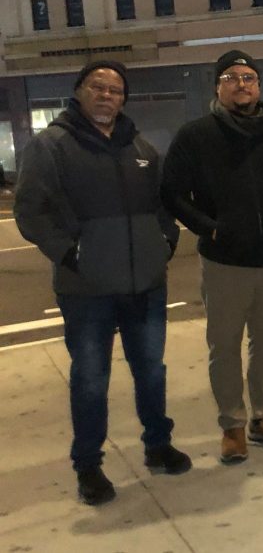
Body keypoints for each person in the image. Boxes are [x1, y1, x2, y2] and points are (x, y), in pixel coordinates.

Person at [15, 61, 191, 505]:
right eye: (97, 87)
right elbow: (31, 212)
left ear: (123, 99)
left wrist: (164, 242)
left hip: (145, 285)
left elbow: (163, 207)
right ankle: (89, 466)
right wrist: (72, 254)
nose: (106, 95)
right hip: (87, 289)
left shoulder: (142, 148)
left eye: (115, 90)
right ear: (79, 92)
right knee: (91, 378)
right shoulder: (51, 146)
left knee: (151, 371)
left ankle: (157, 444)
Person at [162, 50, 263, 464]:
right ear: (218, 87)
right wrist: (211, 228)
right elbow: (172, 192)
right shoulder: (197, 135)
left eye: (248, 77)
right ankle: (232, 425)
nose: (241, 84)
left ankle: (262, 418)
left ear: (259, 86)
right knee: (223, 347)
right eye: (231, 77)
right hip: (225, 264)